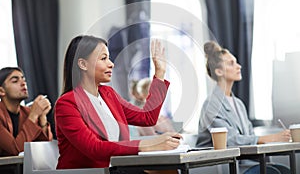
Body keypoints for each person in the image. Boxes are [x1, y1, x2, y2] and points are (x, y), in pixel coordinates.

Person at [55, 35, 181, 173]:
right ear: (83, 64)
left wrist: (160, 73)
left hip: (117, 169)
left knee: (169, 170)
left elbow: (147, 117)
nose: (111, 64)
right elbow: (94, 148)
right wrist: (148, 145)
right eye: (103, 58)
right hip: (91, 171)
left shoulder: (108, 94)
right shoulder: (66, 104)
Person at [196, 41, 291, 173]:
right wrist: (272, 138)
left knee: (284, 170)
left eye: (236, 62)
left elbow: (249, 134)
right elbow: (229, 140)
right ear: (218, 71)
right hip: (224, 167)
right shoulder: (211, 105)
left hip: (244, 163)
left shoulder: (239, 104)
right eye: (231, 63)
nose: (239, 66)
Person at [0, 67, 53, 157]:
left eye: (23, 79)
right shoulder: (31, 114)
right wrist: (33, 115)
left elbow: (44, 148)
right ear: (1, 91)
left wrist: (42, 117)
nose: (23, 83)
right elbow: (15, 149)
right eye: (15, 81)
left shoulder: (27, 112)